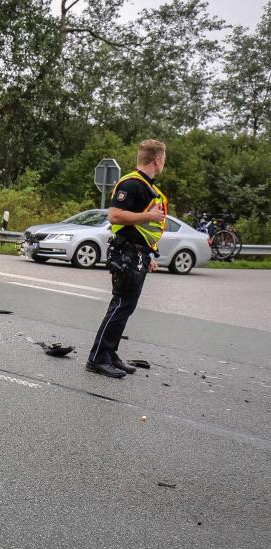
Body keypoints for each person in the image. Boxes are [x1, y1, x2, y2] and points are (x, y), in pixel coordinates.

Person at [86, 140, 168, 378]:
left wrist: (148, 253)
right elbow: (114, 216)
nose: (164, 163)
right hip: (125, 254)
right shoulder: (132, 184)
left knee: (126, 306)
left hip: (137, 253)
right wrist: (148, 216)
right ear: (157, 160)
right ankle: (97, 357)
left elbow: (137, 230)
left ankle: (110, 354)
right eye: (164, 159)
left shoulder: (146, 187)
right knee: (121, 304)